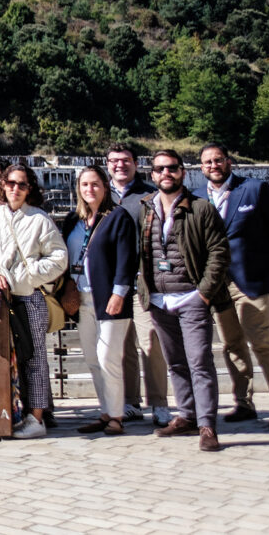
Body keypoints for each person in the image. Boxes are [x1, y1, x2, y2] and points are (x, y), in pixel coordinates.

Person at [195, 142, 269, 429]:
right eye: (208, 162)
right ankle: (244, 403)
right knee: (231, 345)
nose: (213, 166)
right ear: (201, 167)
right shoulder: (195, 198)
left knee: (262, 343)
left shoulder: (254, 189)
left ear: (229, 162)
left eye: (218, 160)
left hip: (252, 280)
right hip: (216, 284)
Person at [137, 150, 230, 452]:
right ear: (152, 175)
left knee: (199, 362)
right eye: (160, 169)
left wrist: (203, 293)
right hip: (160, 300)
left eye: (172, 168)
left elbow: (219, 253)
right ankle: (187, 416)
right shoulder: (145, 208)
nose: (166, 173)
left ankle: (207, 425)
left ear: (182, 173)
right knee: (176, 363)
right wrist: (145, 293)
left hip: (191, 297)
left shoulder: (201, 208)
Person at [0, 163, 68, 439]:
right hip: (0, 298)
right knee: (3, 356)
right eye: (11, 183)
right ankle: (8, 413)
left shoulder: (39, 219)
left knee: (35, 357)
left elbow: (59, 258)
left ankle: (37, 418)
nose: (16, 189)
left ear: (30, 189)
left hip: (29, 297)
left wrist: (31, 274)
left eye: (22, 184)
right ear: (3, 185)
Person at [61, 166, 138, 436]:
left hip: (109, 298)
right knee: (92, 359)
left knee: (109, 358)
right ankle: (105, 411)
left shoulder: (119, 217)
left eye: (95, 184)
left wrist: (119, 293)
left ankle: (116, 415)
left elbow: (127, 259)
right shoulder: (73, 220)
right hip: (81, 298)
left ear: (105, 187)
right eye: (84, 185)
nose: (89, 189)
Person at [107, 143, 170, 427]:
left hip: (143, 281)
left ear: (135, 163)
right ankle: (130, 402)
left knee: (150, 342)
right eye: (114, 161)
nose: (120, 165)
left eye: (126, 160)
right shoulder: (98, 192)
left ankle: (159, 403)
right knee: (122, 345)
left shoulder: (150, 194)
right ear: (107, 164)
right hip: (110, 284)